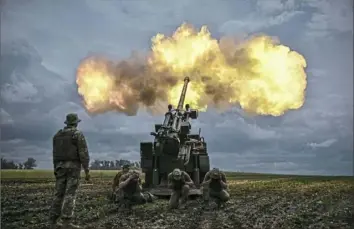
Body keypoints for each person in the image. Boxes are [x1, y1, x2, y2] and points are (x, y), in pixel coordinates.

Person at [49, 113, 90, 229]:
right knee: (70, 194)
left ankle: (53, 220)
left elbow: (55, 155)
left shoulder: (57, 135)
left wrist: (55, 169)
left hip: (59, 167)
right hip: (73, 168)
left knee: (58, 194)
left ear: (67, 123)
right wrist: (87, 170)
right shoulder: (77, 134)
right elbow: (83, 154)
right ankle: (66, 221)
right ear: (76, 123)